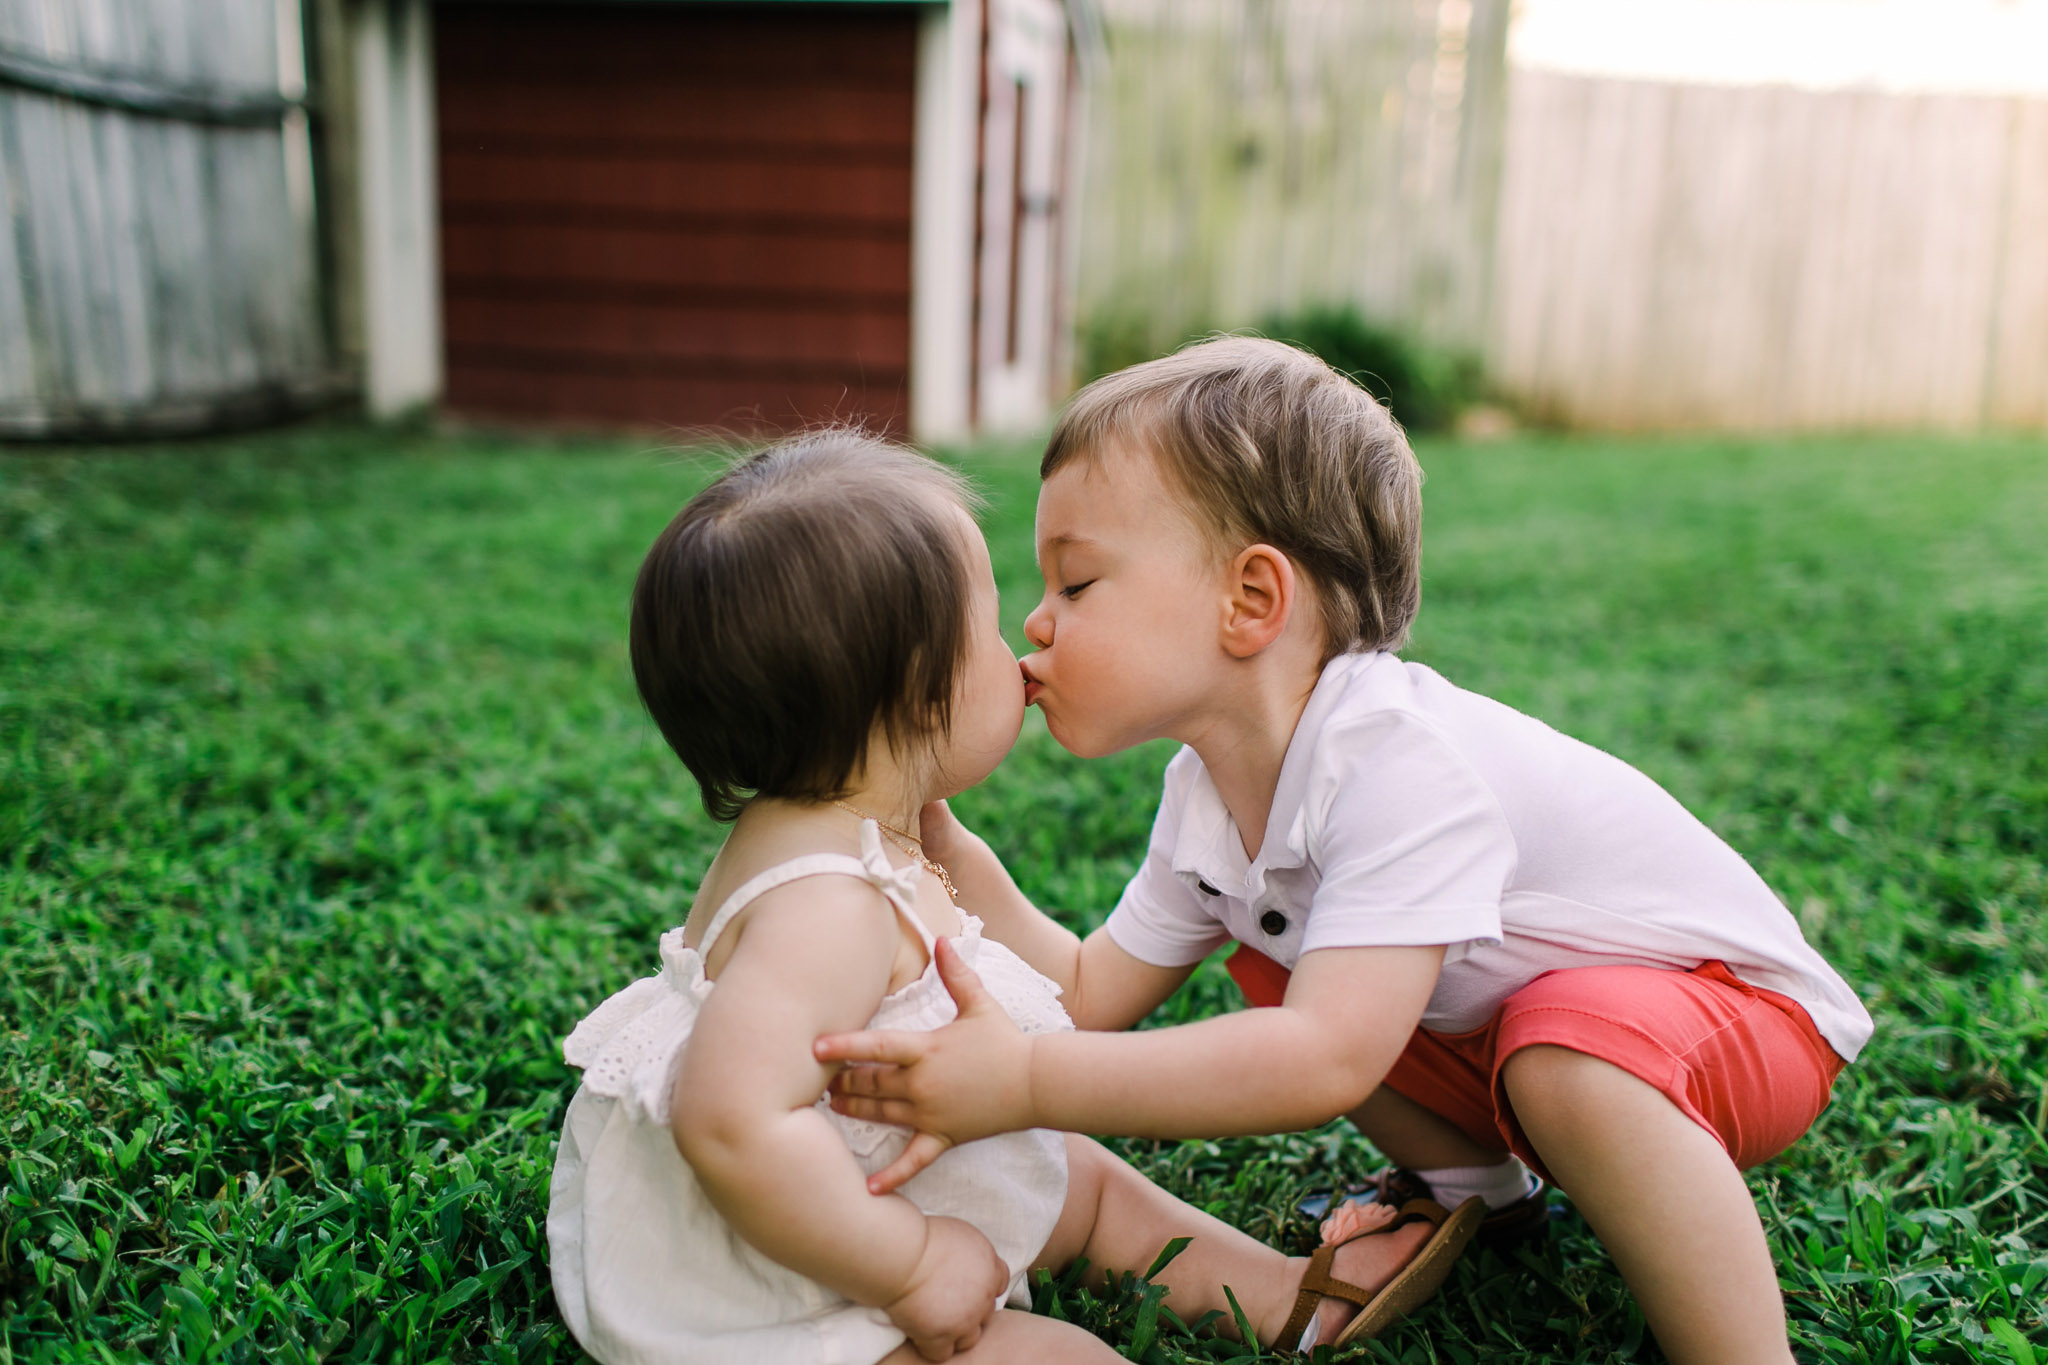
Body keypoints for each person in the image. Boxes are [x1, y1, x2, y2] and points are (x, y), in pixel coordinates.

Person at [814, 341, 1876, 1365]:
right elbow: (1088, 990)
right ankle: (1478, 1191)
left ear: (1249, 602)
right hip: (1529, 1037)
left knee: (1553, 1054)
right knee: (1280, 958)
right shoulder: (1206, 795)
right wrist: (941, 836)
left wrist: (1027, 1082)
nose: (1037, 626)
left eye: (1076, 586)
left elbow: (1324, 1058)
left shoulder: (1394, 765)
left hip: (1739, 1023)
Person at [546, 429, 1483, 1365]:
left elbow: (1038, 969)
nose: (1028, 639)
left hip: (866, 1168)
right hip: (783, 1270)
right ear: (921, 693)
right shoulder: (826, 906)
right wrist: (909, 1264)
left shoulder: (847, 833)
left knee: (1067, 1167)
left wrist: (947, 842)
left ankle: (1278, 1295)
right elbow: (731, 1120)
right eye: (991, 629)